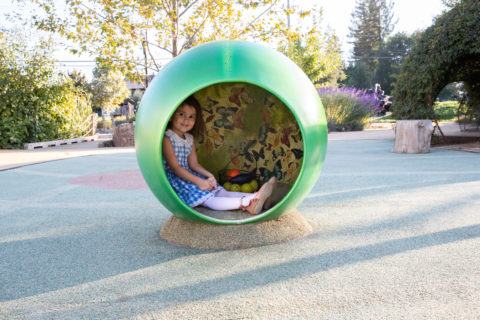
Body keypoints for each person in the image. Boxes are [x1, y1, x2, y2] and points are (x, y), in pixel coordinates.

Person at [162, 95, 275, 215]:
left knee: (219, 191)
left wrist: (209, 176)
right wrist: (199, 181)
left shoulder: (189, 138)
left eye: (191, 117)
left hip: (191, 176)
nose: (186, 120)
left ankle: (257, 197)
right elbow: (176, 168)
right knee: (208, 199)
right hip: (178, 181)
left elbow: (193, 164)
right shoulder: (167, 138)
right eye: (181, 114)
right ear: (171, 116)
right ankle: (246, 202)